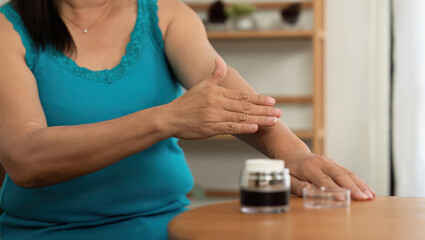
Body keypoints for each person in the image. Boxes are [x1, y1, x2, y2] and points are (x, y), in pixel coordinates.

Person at [0, 0, 375, 239]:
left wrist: (297, 156)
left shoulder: (166, 15)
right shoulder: (8, 29)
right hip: (50, 232)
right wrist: (166, 119)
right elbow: (25, 159)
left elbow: (235, 99)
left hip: (169, 228)